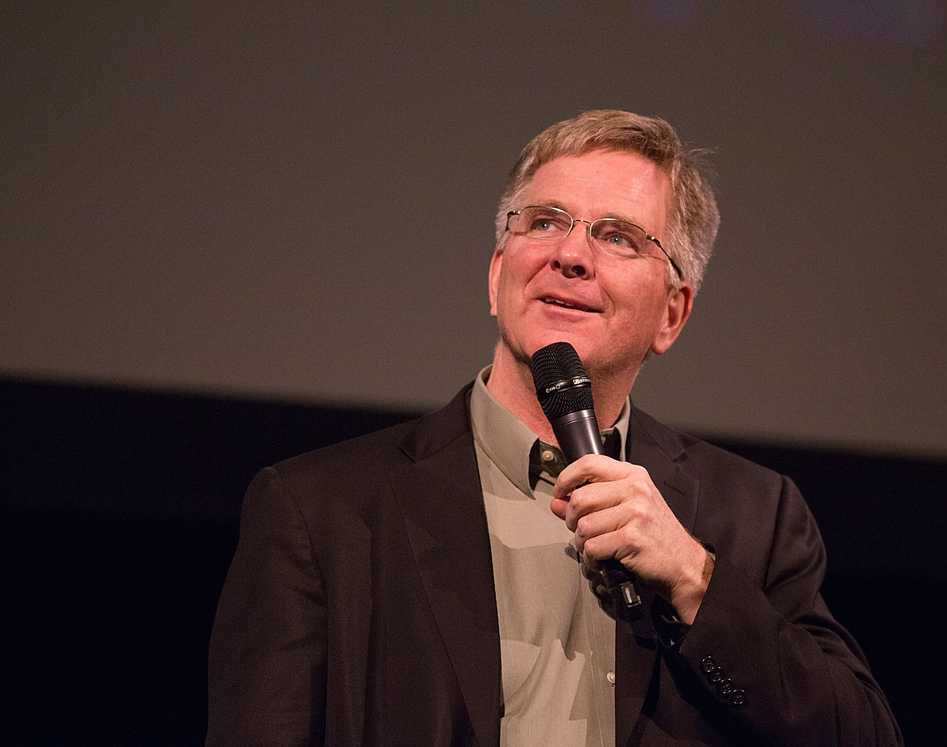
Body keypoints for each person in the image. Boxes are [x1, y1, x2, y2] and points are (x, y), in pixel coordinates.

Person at [207, 109, 903, 746]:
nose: (570, 254)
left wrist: (694, 579)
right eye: (543, 221)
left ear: (672, 313)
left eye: (618, 236)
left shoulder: (754, 518)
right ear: (496, 274)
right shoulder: (321, 512)